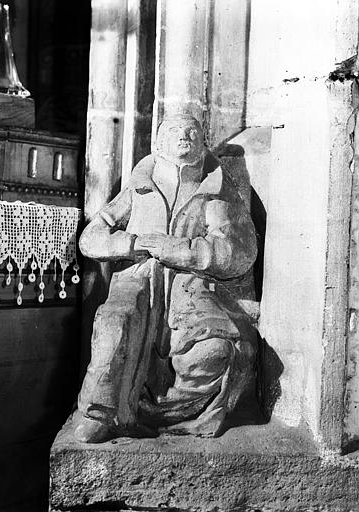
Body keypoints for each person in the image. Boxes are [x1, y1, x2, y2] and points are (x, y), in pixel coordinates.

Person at [73, 114, 258, 443]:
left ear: (202, 143)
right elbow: (91, 237)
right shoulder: (140, 184)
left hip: (190, 287)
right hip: (139, 279)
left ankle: (178, 412)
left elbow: (240, 252)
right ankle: (99, 412)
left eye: (192, 130)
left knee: (214, 350)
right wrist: (128, 244)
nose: (184, 135)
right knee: (114, 324)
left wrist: (186, 251)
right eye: (174, 130)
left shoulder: (215, 188)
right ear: (157, 143)